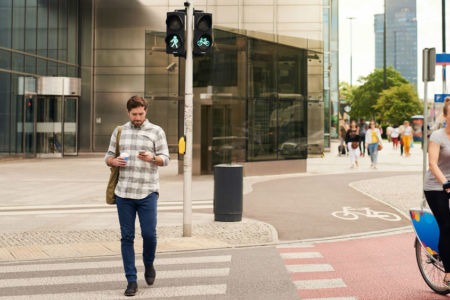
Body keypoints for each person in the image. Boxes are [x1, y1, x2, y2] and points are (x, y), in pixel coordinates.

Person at [105, 96, 170, 297]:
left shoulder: (156, 131)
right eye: (134, 114)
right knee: (127, 237)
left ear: (146, 111)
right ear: (128, 113)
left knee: (149, 234)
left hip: (148, 191)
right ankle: (131, 280)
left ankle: (149, 263)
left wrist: (153, 158)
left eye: (141, 114)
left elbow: (166, 159)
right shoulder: (119, 131)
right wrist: (113, 161)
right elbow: (107, 156)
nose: (138, 118)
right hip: (124, 193)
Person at [424, 100, 450, 287]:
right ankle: (449, 272)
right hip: (436, 186)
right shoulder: (437, 136)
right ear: (446, 116)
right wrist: (445, 182)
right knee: (447, 225)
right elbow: (432, 163)